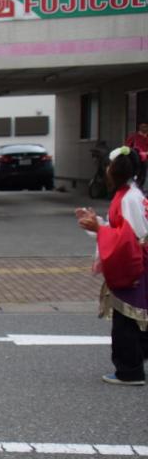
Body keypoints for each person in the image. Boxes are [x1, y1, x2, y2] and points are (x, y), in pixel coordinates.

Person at [76, 146, 148, 385]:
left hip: (133, 266)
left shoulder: (129, 198)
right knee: (134, 319)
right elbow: (121, 231)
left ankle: (130, 371)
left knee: (126, 321)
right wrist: (96, 222)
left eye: (108, 165)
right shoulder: (129, 195)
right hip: (133, 263)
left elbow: (133, 238)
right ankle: (133, 365)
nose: (106, 170)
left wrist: (99, 228)